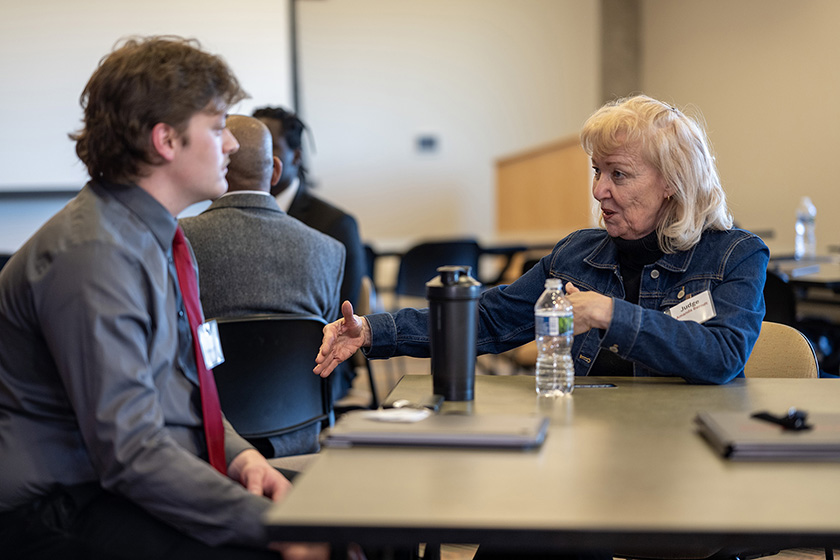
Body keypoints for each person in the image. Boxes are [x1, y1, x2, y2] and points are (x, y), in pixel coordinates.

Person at [0, 37, 328, 560]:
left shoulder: (158, 239)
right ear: (165, 141)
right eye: (218, 128)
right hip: (60, 508)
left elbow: (187, 385)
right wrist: (270, 526)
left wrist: (243, 459)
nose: (233, 146)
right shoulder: (94, 254)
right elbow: (129, 453)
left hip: (124, 483)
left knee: (350, 520)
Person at [313, 95, 769, 387]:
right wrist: (373, 330)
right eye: (597, 171)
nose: (598, 191)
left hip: (685, 461)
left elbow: (722, 356)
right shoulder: (576, 254)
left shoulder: (734, 254)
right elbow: (490, 319)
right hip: (584, 455)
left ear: (672, 181)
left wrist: (609, 313)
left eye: (619, 175)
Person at [180, 115, 345, 457]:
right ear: (274, 170)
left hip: (206, 439)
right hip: (299, 441)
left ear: (217, 164)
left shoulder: (176, 241)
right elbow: (327, 351)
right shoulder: (328, 250)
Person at [253, 106, 366, 400]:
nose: (258, 157)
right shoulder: (232, 221)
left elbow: (340, 313)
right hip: (250, 357)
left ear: (296, 156)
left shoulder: (335, 224)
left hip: (316, 361)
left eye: (271, 148)